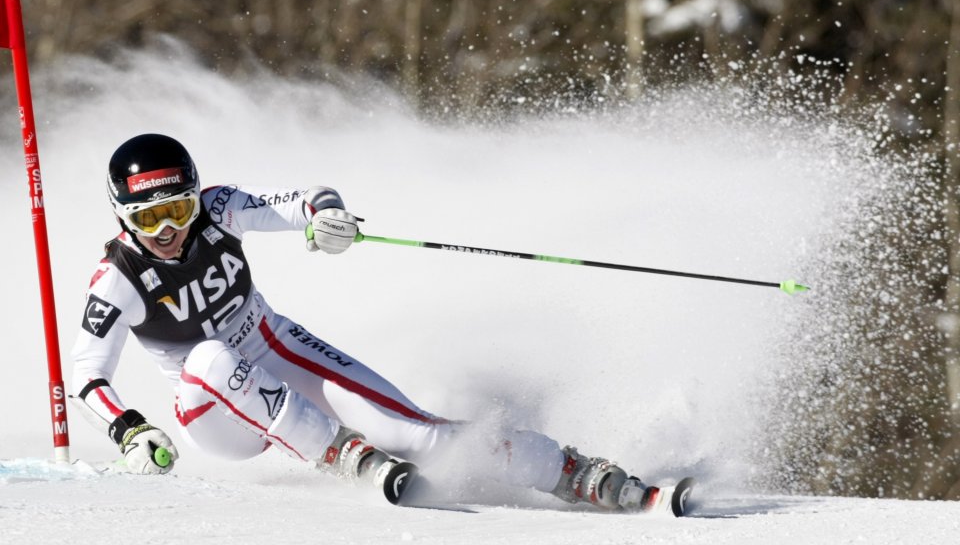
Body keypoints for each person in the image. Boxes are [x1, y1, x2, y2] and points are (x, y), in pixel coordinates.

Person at [71, 133, 658, 511]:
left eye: (178, 210)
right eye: (151, 219)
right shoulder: (117, 276)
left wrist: (327, 218)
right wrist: (130, 430)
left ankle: (574, 473)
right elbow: (87, 373)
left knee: (418, 435)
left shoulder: (220, 210)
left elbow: (307, 197)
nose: (169, 231)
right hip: (214, 415)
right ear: (125, 217)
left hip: (273, 348)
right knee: (205, 357)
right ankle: (339, 453)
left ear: (196, 198)